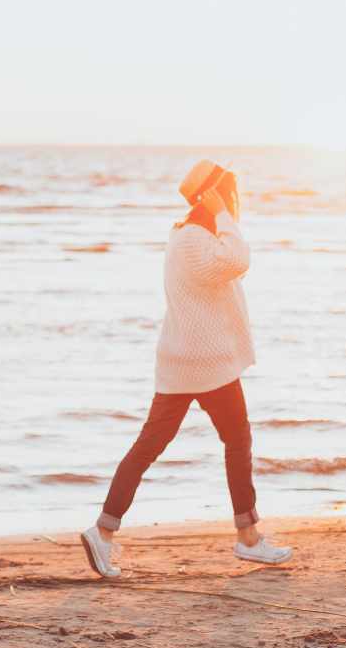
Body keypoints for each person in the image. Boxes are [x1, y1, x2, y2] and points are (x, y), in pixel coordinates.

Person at [79, 159, 293, 578]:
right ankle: (248, 539)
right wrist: (224, 213)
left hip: (183, 362)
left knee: (150, 446)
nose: (235, 202)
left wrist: (220, 215)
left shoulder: (186, 235)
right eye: (229, 194)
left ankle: (103, 531)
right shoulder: (197, 238)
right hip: (206, 365)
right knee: (237, 442)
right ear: (213, 196)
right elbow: (238, 259)